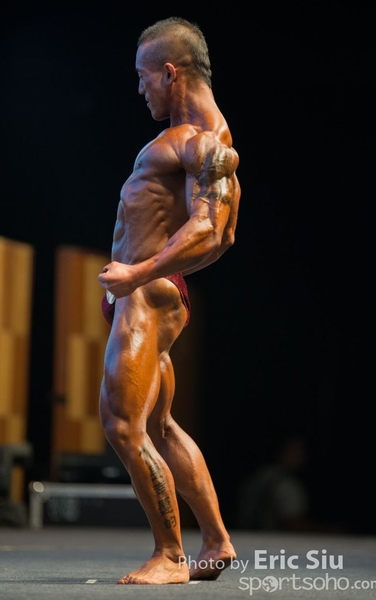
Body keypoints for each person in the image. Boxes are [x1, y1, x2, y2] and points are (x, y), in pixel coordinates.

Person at [97, 17, 241, 585]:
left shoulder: (203, 142)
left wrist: (138, 274)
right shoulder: (202, 137)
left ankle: (171, 556)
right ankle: (217, 541)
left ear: (169, 72)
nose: (140, 88)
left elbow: (211, 231)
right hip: (147, 290)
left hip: (144, 295)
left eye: (143, 76)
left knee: (121, 425)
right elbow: (223, 238)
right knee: (158, 427)